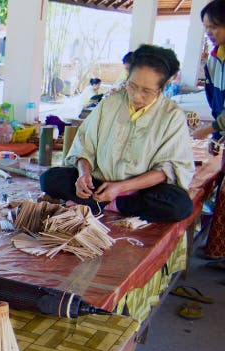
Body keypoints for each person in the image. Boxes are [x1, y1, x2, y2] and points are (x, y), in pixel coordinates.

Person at [39, 44, 194, 223]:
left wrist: (121, 187)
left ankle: (114, 204)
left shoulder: (172, 116)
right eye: (132, 86)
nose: (136, 96)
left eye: (146, 91)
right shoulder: (109, 103)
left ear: (162, 87)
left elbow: (166, 170)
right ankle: (98, 200)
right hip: (100, 184)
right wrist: (84, 174)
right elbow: (84, 146)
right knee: (49, 179)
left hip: (141, 191)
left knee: (180, 205)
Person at [193, 0, 225, 260]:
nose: (209, 32)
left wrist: (212, 128)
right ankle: (216, 249)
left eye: (214, 27)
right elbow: (215, 98)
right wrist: (216, 130)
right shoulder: (214, 60)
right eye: (207, 27)